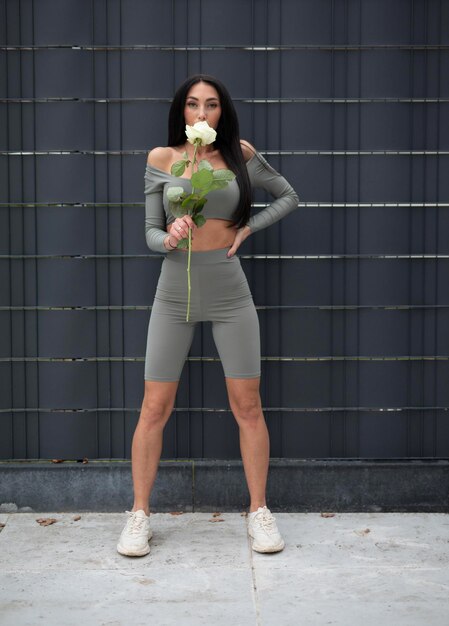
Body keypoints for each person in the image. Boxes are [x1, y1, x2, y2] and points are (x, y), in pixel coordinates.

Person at [117, 74, 299, 558]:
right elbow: (150, 234)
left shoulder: (238, 155)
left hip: (230, 291)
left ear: (222, 111)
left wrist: (246, 228)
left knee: (248, 406)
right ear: (182, 111)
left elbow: (287, 196)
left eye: (212, 105)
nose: (202, 113)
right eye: (194, 104)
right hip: (174, 292)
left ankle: (259, 511)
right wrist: (171, 235)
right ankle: (139, 514)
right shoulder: (163, 159)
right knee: (154, 407)